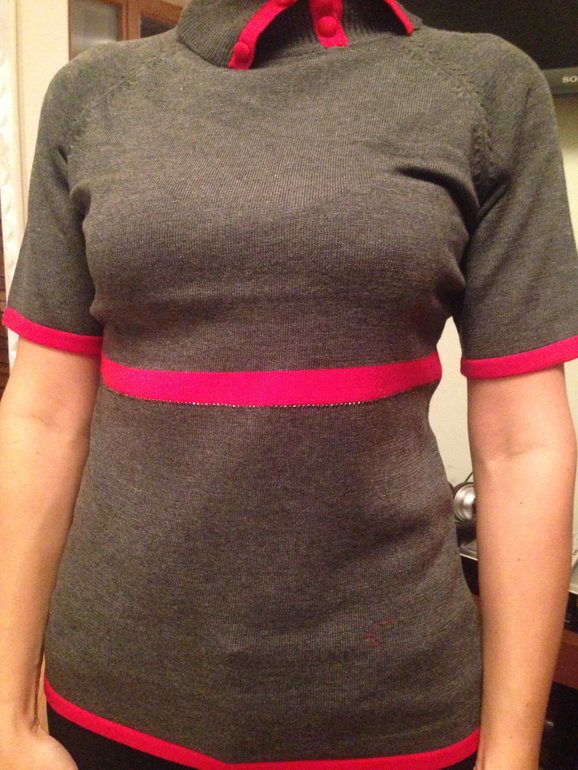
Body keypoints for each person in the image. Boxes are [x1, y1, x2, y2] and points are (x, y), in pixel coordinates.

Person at [1, 1, 577, 768]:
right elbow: (42, 415)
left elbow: (522, 446)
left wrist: (512, 754)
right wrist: (7, 714)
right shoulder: (92, 93)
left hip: (391, 713)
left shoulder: (486, 88)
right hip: (109, 704)